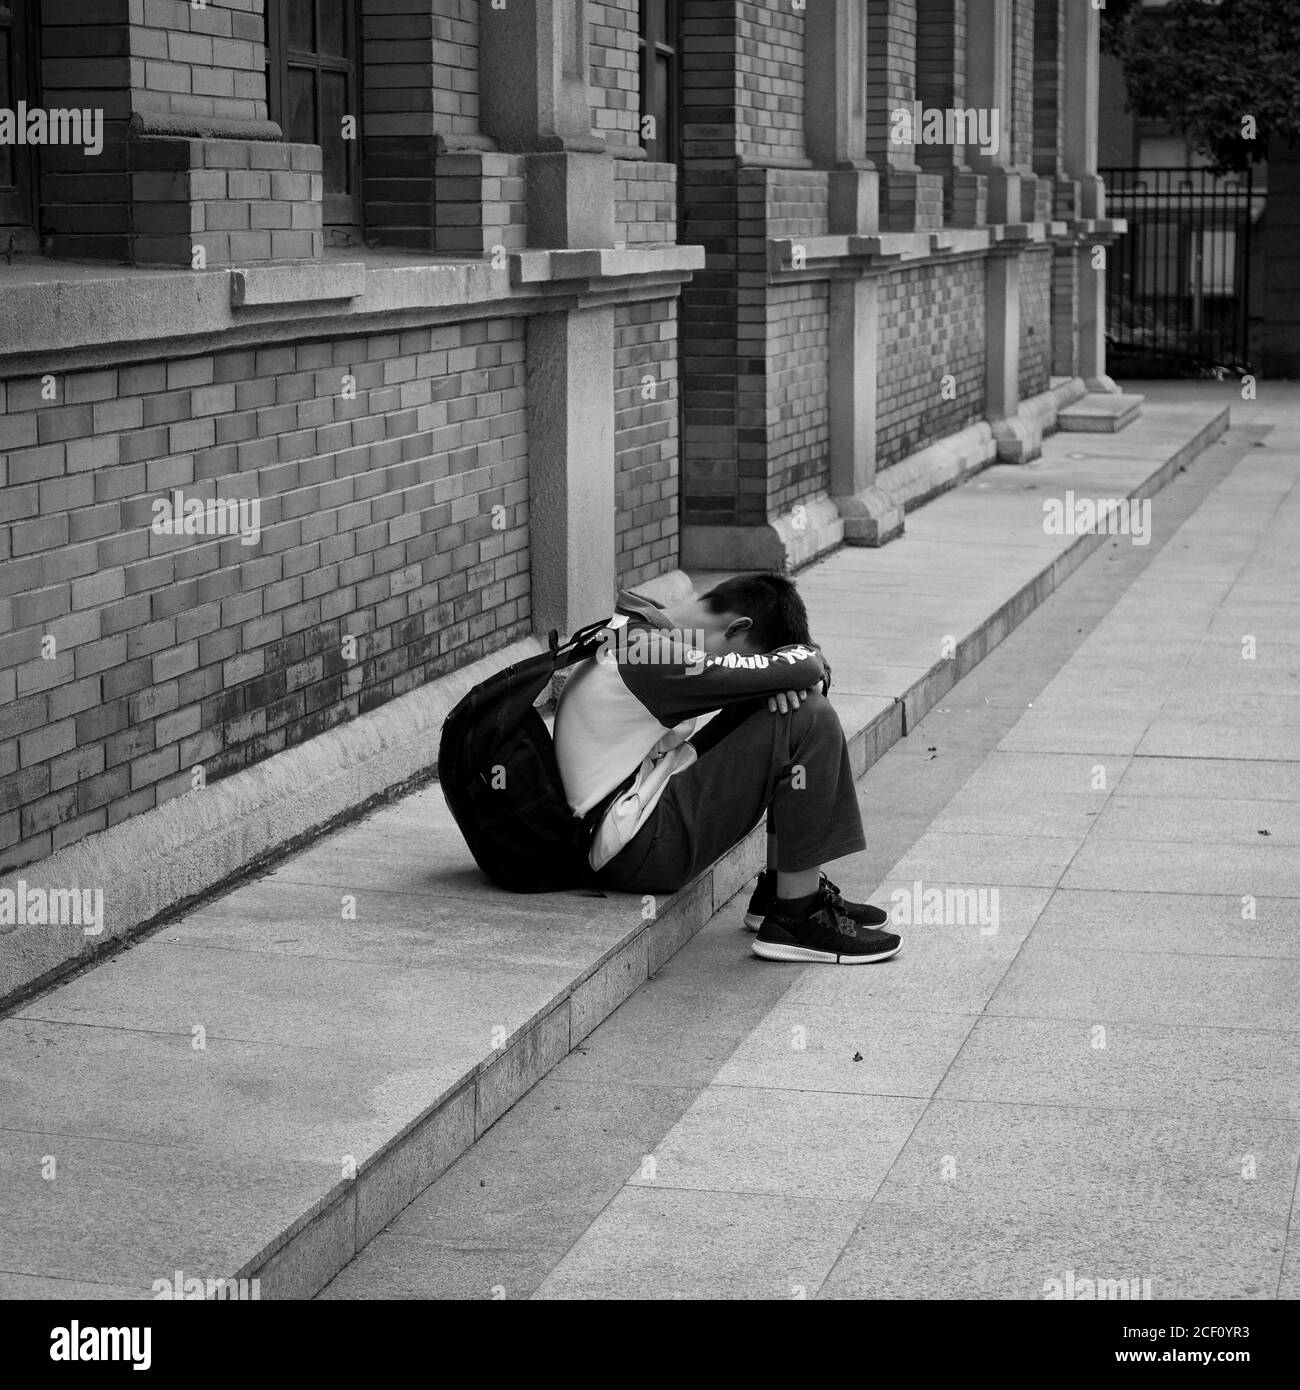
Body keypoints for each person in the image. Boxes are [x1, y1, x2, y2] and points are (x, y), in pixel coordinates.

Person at [553, 573, 901, 964]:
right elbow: (802, 670)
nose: (733, 665)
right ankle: (798, 915)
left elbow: (779, 676)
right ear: (738, 628)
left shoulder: (636, 632)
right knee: (808, 716)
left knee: (770, 704)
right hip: (637, 851)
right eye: (746, 657)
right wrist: (794, 666)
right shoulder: (648, 653)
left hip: (628, 823)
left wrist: (771, 679)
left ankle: (780, 893)